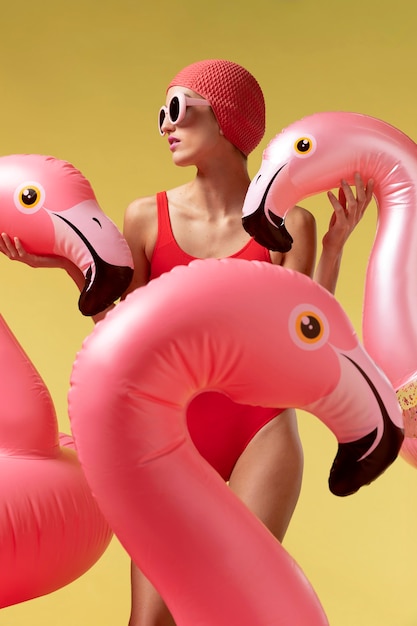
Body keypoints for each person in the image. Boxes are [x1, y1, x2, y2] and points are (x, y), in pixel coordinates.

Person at [0, 59, 374, 626]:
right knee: (148, 621)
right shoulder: (145, 218)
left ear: (226, 120)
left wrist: (335, 249)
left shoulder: (290, 225)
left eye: (178, 110)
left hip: (261, 431)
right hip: (164, 434)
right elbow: (122, 337)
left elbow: (303, 339)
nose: (165, 125)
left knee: (233, 609)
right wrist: (65, 263)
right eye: (161, 114)